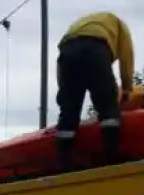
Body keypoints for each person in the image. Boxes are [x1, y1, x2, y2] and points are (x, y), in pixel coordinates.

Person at [55, 11, 135, 167]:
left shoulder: (82, 25)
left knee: (69, 111)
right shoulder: (120, 27)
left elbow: (61, 67)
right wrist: (126, 88)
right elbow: (127, 57)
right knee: (107, 105)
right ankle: (111, 155)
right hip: (95, 48)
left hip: (67, 50)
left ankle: (63, 161)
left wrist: (65, 94)